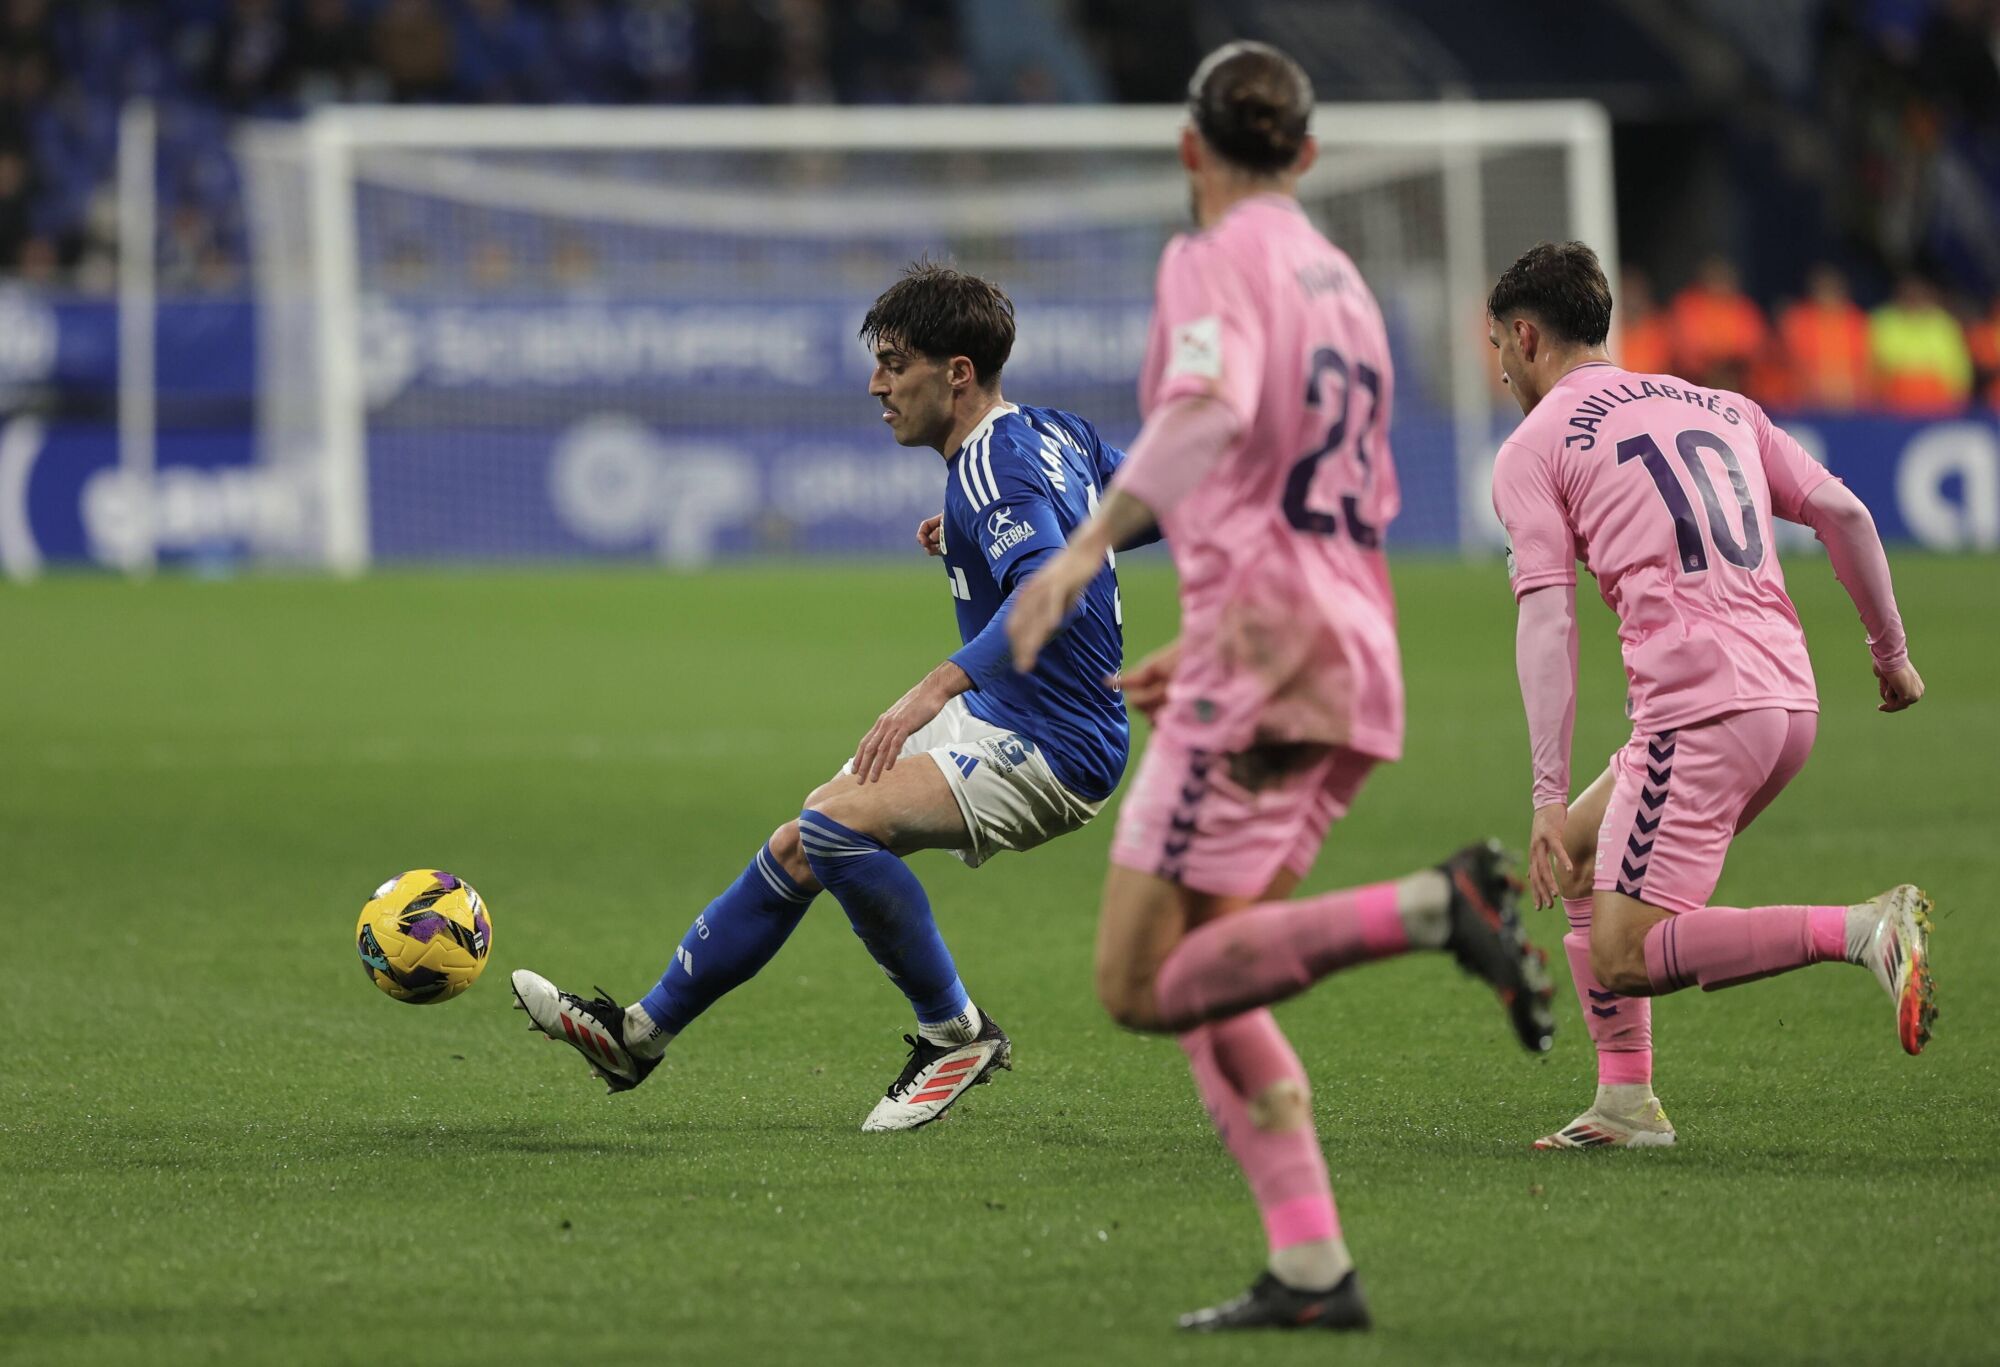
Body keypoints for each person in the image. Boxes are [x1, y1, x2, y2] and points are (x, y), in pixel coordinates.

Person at [1008, 42, 1556, 1333]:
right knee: (1223, 974)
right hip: (1342, 635)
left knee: (1143, 982)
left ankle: (1435, 902)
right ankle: (1313, 1265)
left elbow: (1206, 410)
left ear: (1191, 148)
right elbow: (1329, 488)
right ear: (1306, 155)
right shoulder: (1344, 280)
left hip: (1268, 647)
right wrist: (1207, 647)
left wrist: (1088, 546)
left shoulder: (1211, 259)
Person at [512, 263, 1152, 1131]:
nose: (876, 383)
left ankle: (953, 1033)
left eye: (896, 362)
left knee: (836, 828)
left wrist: (935, 682)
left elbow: (1051, 588)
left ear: (956, 373)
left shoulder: (992, 467)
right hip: (1016, 711)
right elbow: (1143, 503)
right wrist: (972, 537)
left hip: (1052, 743)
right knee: (804, 839)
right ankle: (639, 1035)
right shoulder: (1048, 433)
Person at [1484, 241, 1937, 1152]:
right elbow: (1844, 514)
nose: (1498, 369)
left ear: (1526, 335)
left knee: (1625, 949)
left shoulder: (1533, 448)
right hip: (1786, 703)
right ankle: (1624, 1103)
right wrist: (1890, 653)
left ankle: (1864, 929)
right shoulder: (1720, 403)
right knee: (1578, 859)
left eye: (1499, 347)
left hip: (1699, 710)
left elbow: (1547, 623)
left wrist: (1538, 792)